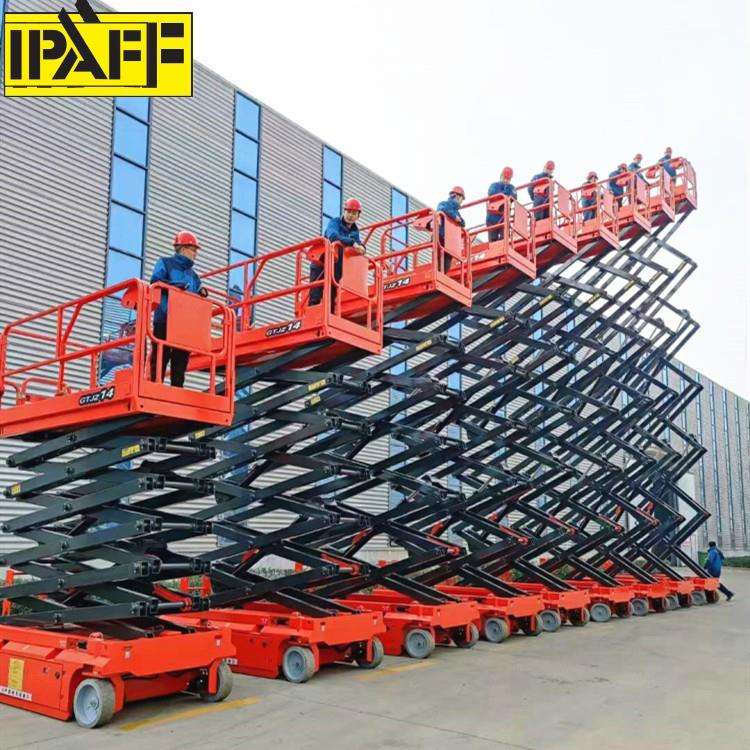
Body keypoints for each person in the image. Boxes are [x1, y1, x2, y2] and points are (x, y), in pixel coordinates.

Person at [149, 230, 208, 387]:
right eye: (193, 250)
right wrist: (176, 286)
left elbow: (197, 290)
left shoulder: (194, 276)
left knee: (181, 359)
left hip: (184, 323)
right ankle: (155, 386)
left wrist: (201, 291)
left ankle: (177, 389)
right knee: (161, 355)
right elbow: (156, 282)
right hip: (165, 317)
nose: (195, 254)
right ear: (183, 248)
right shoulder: (165, 263)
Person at [311, 198, 366, 307]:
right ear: (344, 211)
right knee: (315, 296)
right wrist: (352, 243)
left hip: (336, 266)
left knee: (332, 296)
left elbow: (359, 243)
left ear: (358, 216)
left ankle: (330, 309)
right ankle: (313, 306)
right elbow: (333, 236)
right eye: (349, 212)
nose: (350, 215)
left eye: (354, 213)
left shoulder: (355, 231)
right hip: (322, 261)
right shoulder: (335, 222)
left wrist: (363, 248)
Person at [436, 186, 466, 271]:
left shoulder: (457, 212)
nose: (461, 202)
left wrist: (458, 219)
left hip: (450, 241)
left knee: (446, 266)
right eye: (462, 199)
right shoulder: (443, 204)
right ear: (457, 196)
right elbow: (442, 209)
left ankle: (440, 274)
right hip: (441, 236)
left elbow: (463, 223)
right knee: (439, 262)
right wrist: (454, 217)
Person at [486, 167, 516, 241]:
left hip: (504, 217)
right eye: (504, 178)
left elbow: (514, 197)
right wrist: (504, 194)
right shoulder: (494, 185)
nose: (506, 180)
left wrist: (502, 194)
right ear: (501, 176)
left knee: (504, 238)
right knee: (493, 241)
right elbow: (492, 194)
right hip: (492, 217)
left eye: (508, 179)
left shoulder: (511, 187)